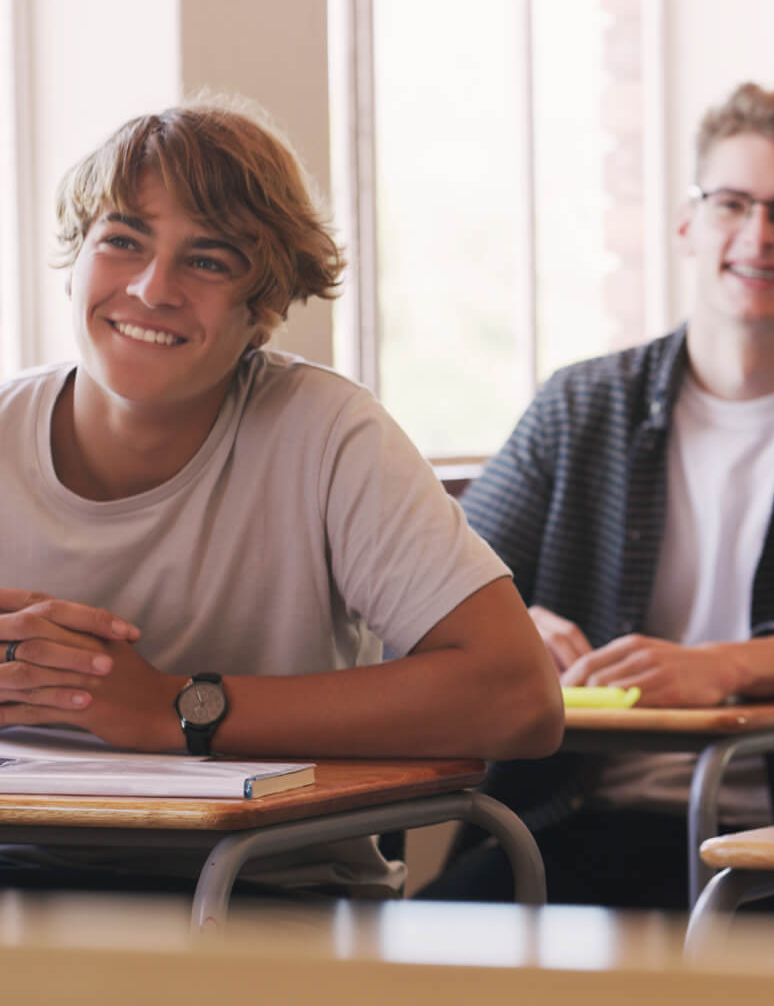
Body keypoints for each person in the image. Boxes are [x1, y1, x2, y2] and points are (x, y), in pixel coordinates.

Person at [0, 97, 563, 893]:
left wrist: (172, 708)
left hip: (268, 892)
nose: (153, 288)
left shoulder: (329, 433)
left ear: (263, 309)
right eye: (122, 241)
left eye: (208, 260)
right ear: (75, 260)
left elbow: (520, 698)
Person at [426, 81, 774, 908]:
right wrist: (511, 622)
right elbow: (440, 581)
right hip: (569, 813)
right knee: (414, 946)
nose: (758, 235)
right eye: (732, 204)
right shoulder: (582, 402)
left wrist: (716, 669)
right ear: (686, 225)